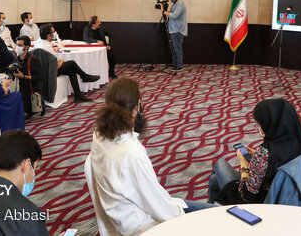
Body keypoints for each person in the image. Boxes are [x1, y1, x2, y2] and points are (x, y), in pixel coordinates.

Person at [87, 78, 214, 235]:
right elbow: (159, 206)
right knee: (218, 214)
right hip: (143, 224)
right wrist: (185, 217)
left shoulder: (99, 135)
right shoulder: (132, 153)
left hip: (120, 217)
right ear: (138, 106)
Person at [207, 98, 301, 204]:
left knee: (219, 164)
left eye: (259, 124)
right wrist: (257, 158)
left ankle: (212, 208)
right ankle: (212, 206)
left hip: (264, 201)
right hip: (289, 196)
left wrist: (243, 165)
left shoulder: (265, 152)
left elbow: (247, 195)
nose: (258, 128)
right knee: (214, 180)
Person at [33, 24, 100, 103]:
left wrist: (53, 48)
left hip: (42, 70)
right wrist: (61, 60)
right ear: (49, 36)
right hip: (49, 72)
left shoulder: (38, 43)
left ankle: (78, 94)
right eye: (53, 31)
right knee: (71, 63)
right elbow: (56, 66)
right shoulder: (47, 47)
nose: (55, 33)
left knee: (71, 70)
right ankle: (85, 77)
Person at [12, 36, 44, 117]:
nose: (17, 47)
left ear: (27, 47)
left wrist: (23, 76)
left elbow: (40, 77)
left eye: (20, 45)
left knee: (25, 114)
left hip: (31, 91)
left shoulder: (33, 59)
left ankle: (40, 105)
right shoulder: (16, 59)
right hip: (21, 89)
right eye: (16, 45)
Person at [162, 0, 187, 71]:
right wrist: (167, 11)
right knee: (175, 48)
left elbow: (175, 15)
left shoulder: (180, 4)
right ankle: (175, 63)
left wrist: (164, 12)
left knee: (177, 48)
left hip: (178, 30)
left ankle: (179, 66)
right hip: (174, 29)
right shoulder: (176, 4)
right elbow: (172, 14)